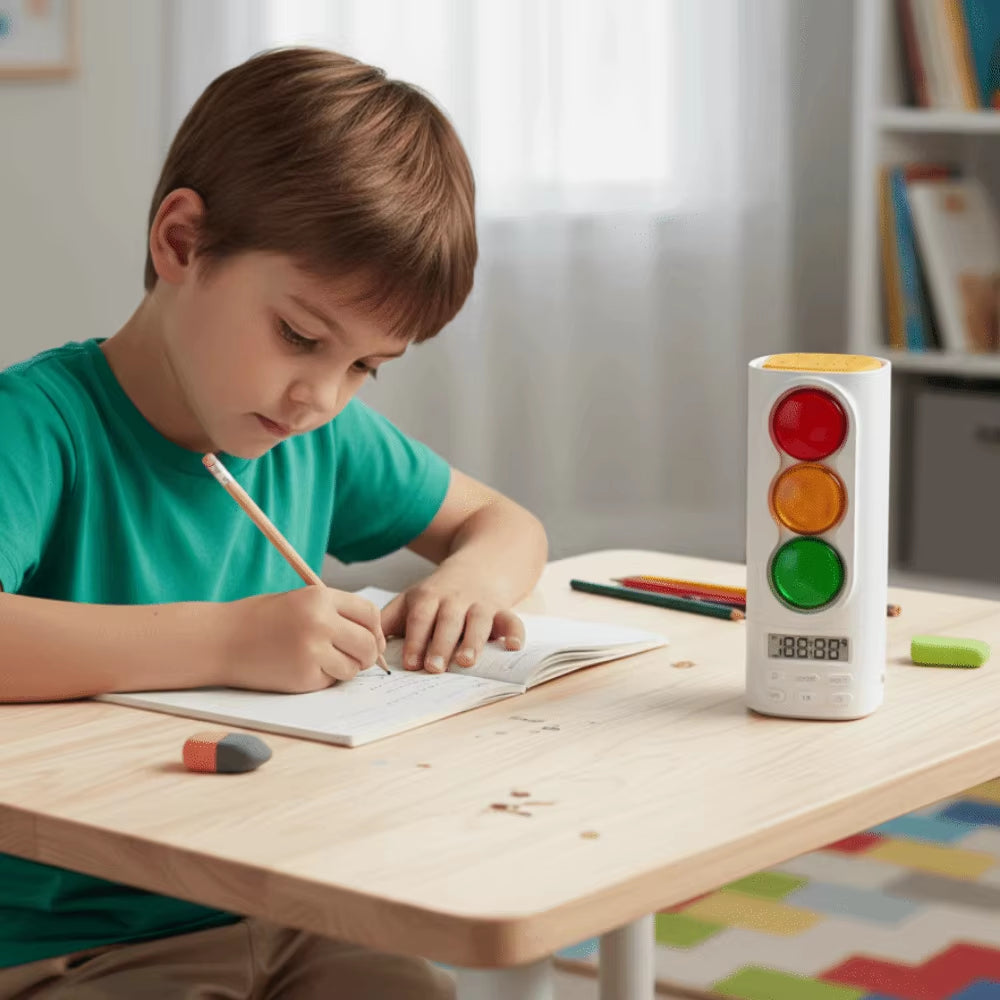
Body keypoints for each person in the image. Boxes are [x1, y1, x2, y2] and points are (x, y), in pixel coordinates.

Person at [0, 46, 548, 999]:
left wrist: (471, 582)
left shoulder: (311, 439)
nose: (320, 396)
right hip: (68, 938)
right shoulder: (38, 428)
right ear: (181, 243)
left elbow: (504, 524)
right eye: (300, 336)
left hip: (282, 902)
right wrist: (231, 637)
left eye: (366, 366)